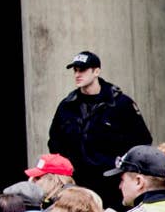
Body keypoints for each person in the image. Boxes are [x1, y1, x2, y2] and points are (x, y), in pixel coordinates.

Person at [46, 50, 152, 204]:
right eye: (75, 70)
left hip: (111, 184)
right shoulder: (67, 106)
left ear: (96, 71)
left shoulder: (120, 104)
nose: (77, 75)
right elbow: (54, 142)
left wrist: (123, 170)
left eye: (82, 70)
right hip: (77, 185)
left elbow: (142, 141)